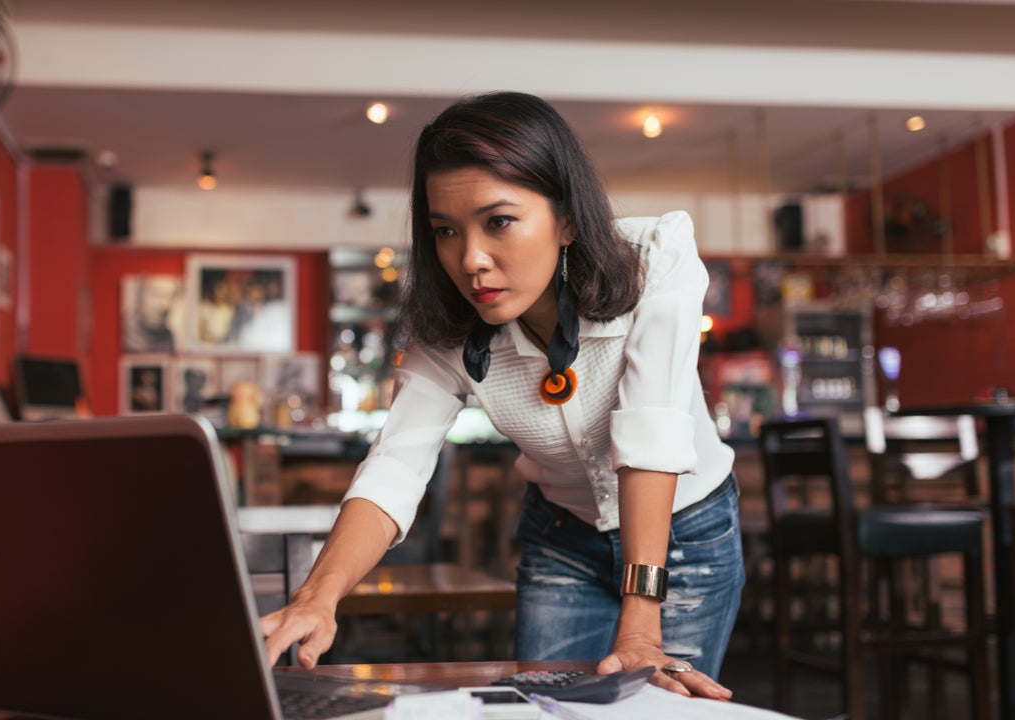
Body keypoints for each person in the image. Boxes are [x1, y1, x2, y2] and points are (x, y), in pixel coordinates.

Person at [260, 92, 743, 700]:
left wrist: (642, 620)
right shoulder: (447, 328)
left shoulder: (655, 259)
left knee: (656, 712)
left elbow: (652, 429)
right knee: (545, 711)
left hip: (683, 535)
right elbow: (395, 464)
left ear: (565, 216)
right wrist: (317, 596)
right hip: (562, 537)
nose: (471, 260)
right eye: (445, 231)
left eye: (499, 221)